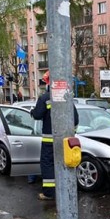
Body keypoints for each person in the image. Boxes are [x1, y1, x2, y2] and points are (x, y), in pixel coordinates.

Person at [31, 70, 78, 201]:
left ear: (48, 83)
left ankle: (49, 193)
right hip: (66, 141)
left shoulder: (45, 98)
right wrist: (72, 132)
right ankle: (67, 189)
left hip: (49, 140)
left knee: (47, 164)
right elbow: (76, 119)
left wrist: (32, 112)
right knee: (65, 164)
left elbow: (37, 115)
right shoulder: (67, 97)